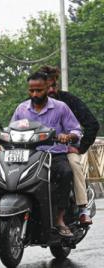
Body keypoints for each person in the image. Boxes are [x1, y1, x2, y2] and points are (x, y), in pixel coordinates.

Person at [11, 71, 82, 237]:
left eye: (39, 90)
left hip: (53, 155)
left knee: (65, 173)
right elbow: (12, 129)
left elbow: (76, 129)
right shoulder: (21, 109)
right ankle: (7, 214)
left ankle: (60, 219)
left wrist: (69, 135)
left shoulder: (60, 107)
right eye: (31, 91)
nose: (35, 94)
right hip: (28, 156)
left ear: (47, 88)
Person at [40, 65, 99, 225]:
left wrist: (80, 148)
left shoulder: (68, 100)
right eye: (47, 86)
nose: (51, 89)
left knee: (74, 165)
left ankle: (82, 208)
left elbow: (92, 124)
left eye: (54, 85)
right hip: (39, 150)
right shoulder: (30, 104)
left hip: (65, 149)